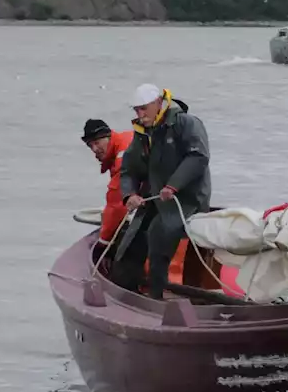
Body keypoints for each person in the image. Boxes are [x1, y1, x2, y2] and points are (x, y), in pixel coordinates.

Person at [114, 84, 211, 298]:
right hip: (158, 198)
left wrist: (173, 185)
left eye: (143, 109)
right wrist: (130, 195)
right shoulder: (142, 134)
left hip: (188, 200)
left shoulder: (186, 123)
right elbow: (129, 169)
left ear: (159, 103)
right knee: (131, 238)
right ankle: (128, 291)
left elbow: (198, 157)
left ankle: (156, 297)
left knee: (158, 232)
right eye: (136, 110)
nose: (139, 115)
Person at [80, 118, 135, 253]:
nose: (94, 149)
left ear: (108, 137)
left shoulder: (122, 158)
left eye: (97, 143)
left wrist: (103, 242)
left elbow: (117, 204)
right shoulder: (127, 138)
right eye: (90, 146)